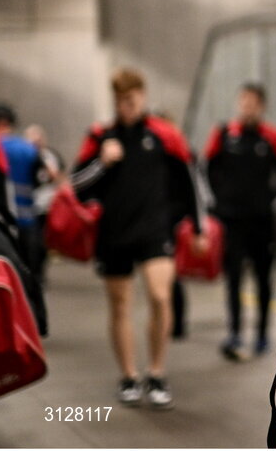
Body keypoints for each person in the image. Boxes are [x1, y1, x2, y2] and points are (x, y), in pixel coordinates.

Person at [71, 68, 206, 409]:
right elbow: (74, 185)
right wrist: (102, 162)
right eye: (119, 101)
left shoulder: (164, 134)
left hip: (154, 230)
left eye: (130, 99)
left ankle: (156, 372)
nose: (125, 106)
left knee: (161, 297)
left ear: (142, 96)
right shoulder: (101, 135)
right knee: (120, 305)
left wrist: (199, 229)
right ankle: (129, 377)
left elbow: (190, 182)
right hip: (114, 233)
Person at [204, 82, 276, 360]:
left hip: (262, 221)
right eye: (243, 101)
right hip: (231, 222)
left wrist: (273, 200)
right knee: (233, 278)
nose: (247, 106)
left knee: (263, 279)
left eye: (253, 101)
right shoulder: (223, 134)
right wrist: (216, 203)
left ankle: (263, 335)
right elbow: (205, 168)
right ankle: (234, 332)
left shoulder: (272, 137)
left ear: (262, 105)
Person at [0, 105, 45, 283]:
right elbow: (41, 179)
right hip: (28, 216)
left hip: (1, 223)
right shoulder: (28, 149)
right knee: (30, 275)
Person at [23, 124, 63, 284]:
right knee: (32, 242)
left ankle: (39, 271)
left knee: (43, 243)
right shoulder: (23, 156)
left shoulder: (49, 156)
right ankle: (32, 271)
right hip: (29, 206)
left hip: (48, 205)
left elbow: (57, 177)